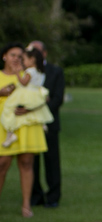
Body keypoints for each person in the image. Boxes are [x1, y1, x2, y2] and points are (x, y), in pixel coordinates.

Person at [0, 43, 47, 217]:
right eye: (13, 55)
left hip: (26, 124)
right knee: (2, 163)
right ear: (4, 56)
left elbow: (42, 96)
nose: (16, 59)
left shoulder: (29, 76)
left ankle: (26, 204)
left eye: (20, 56)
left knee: (27, 162)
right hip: (4, 125)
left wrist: (30, 108)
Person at [28, 40, 64, 209]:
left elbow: (58, 98)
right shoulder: (25, 73)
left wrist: (40, 110)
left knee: (52, 161)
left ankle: (53, 196)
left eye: (35, 50)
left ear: (44, 53)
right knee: (31, 161)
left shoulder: (56, 72)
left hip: (49, 122)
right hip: (30, 123)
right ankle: (35, 195)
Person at [1, 47, 54, 148]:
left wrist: (17, 74)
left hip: (26, 95)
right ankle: (43, 123)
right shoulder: (40, 71)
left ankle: (10, 132)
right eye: (13, 55)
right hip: (37, 94)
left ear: (32, 60)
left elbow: (24, 83)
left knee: (9, 108)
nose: (21, 61)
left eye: (22, 59)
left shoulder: (29, 71)